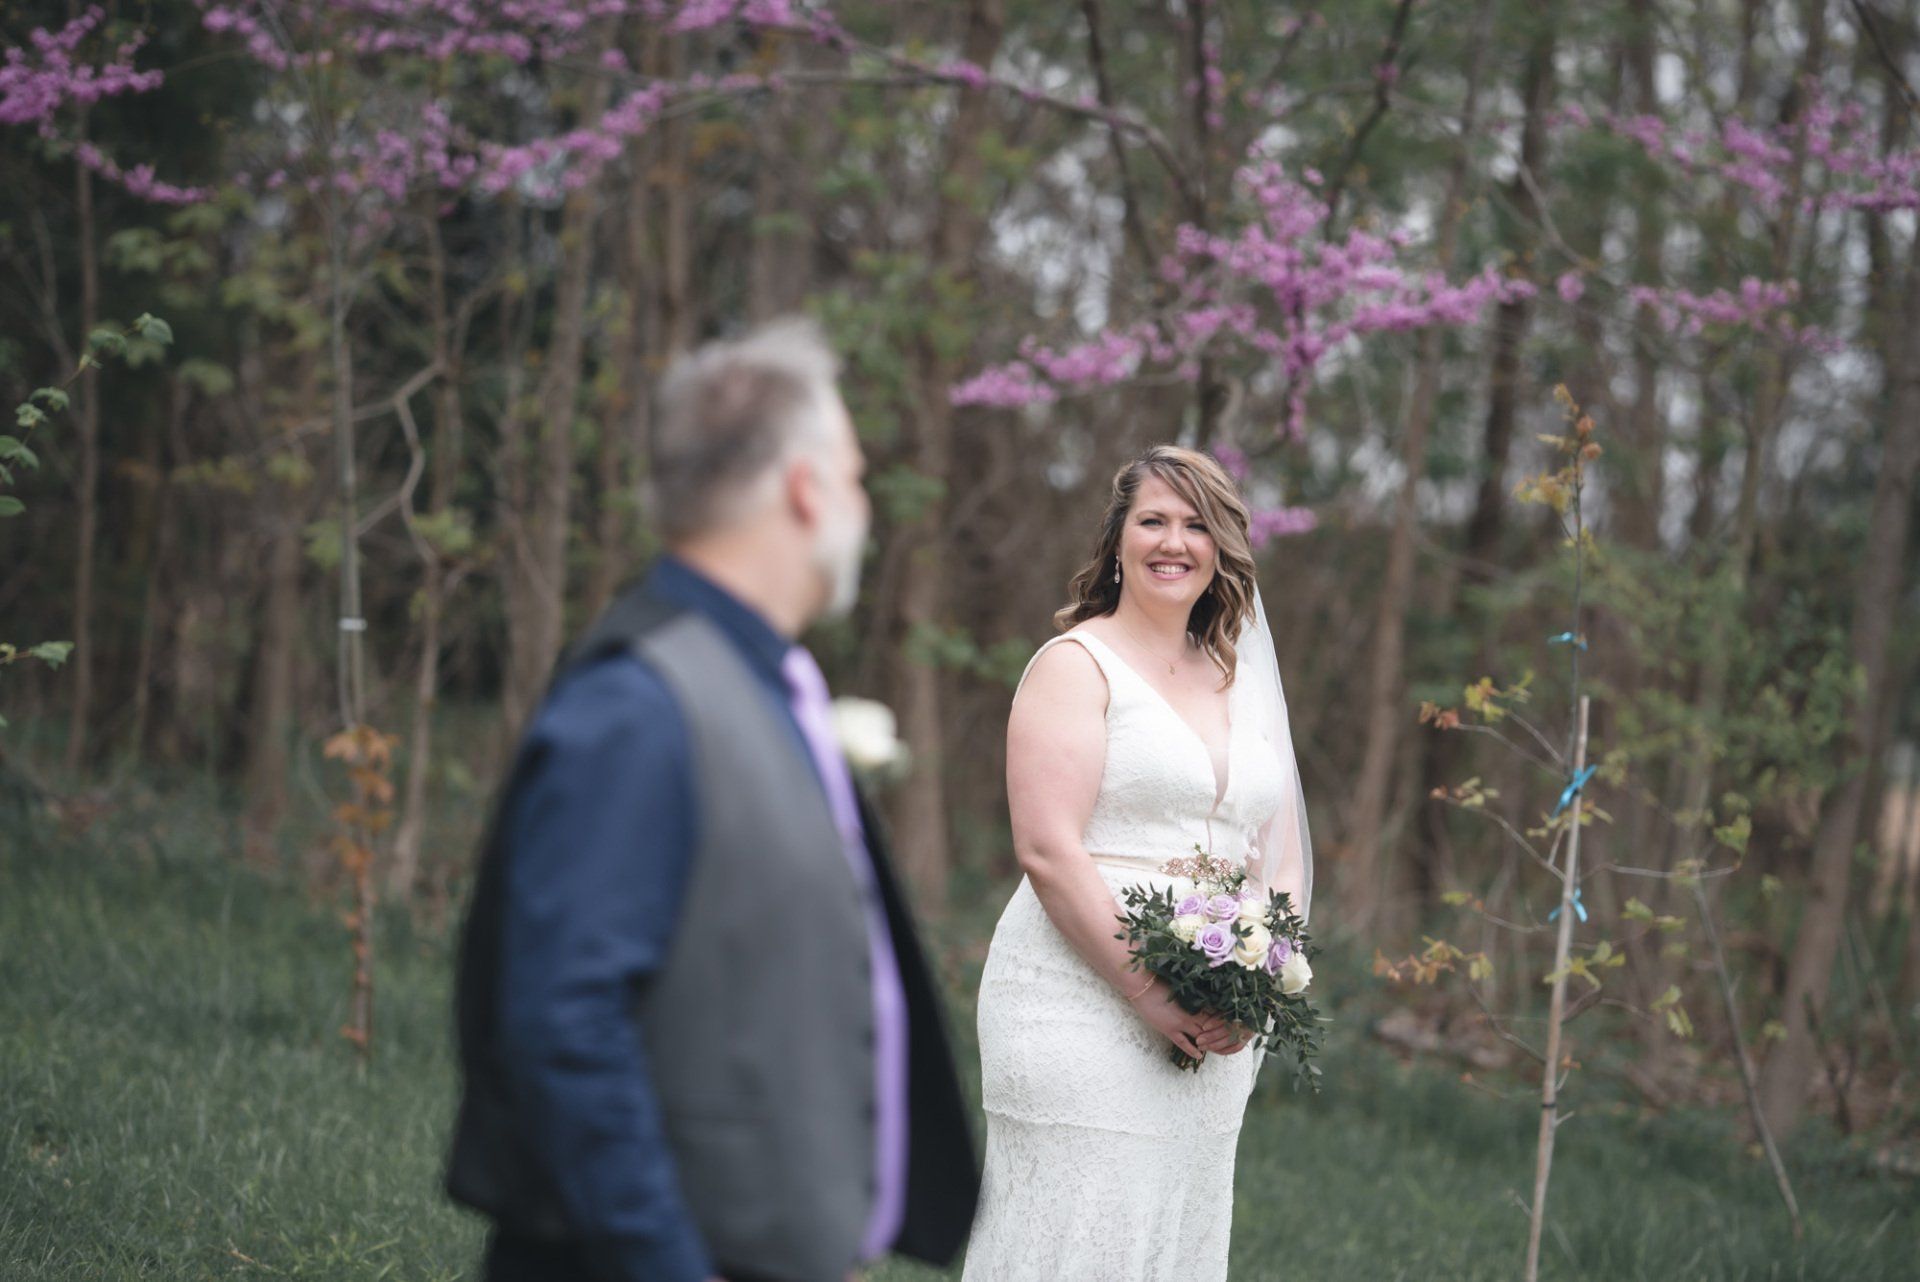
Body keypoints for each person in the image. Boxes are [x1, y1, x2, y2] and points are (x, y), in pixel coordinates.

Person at [445, 318, 978, 1282]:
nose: (863, 505)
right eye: (856, 478)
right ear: (806, 489)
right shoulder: (636, 706)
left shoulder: (758, 682)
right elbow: (565, 1026)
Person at [963, 445, 1313, 1282]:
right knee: (1081, 1237)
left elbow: (1281, 854)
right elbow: (1048, 850)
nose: (1173, 541)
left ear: (1221, 547)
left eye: (1196, 524)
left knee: (1172, 1241)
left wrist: (1260, 980)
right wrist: (1149, 992)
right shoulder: (1075, 666)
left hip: (1216, 1015)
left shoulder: (1238, 680)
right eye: (1153, 520)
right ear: (1118, 539)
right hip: (1075, 1003)